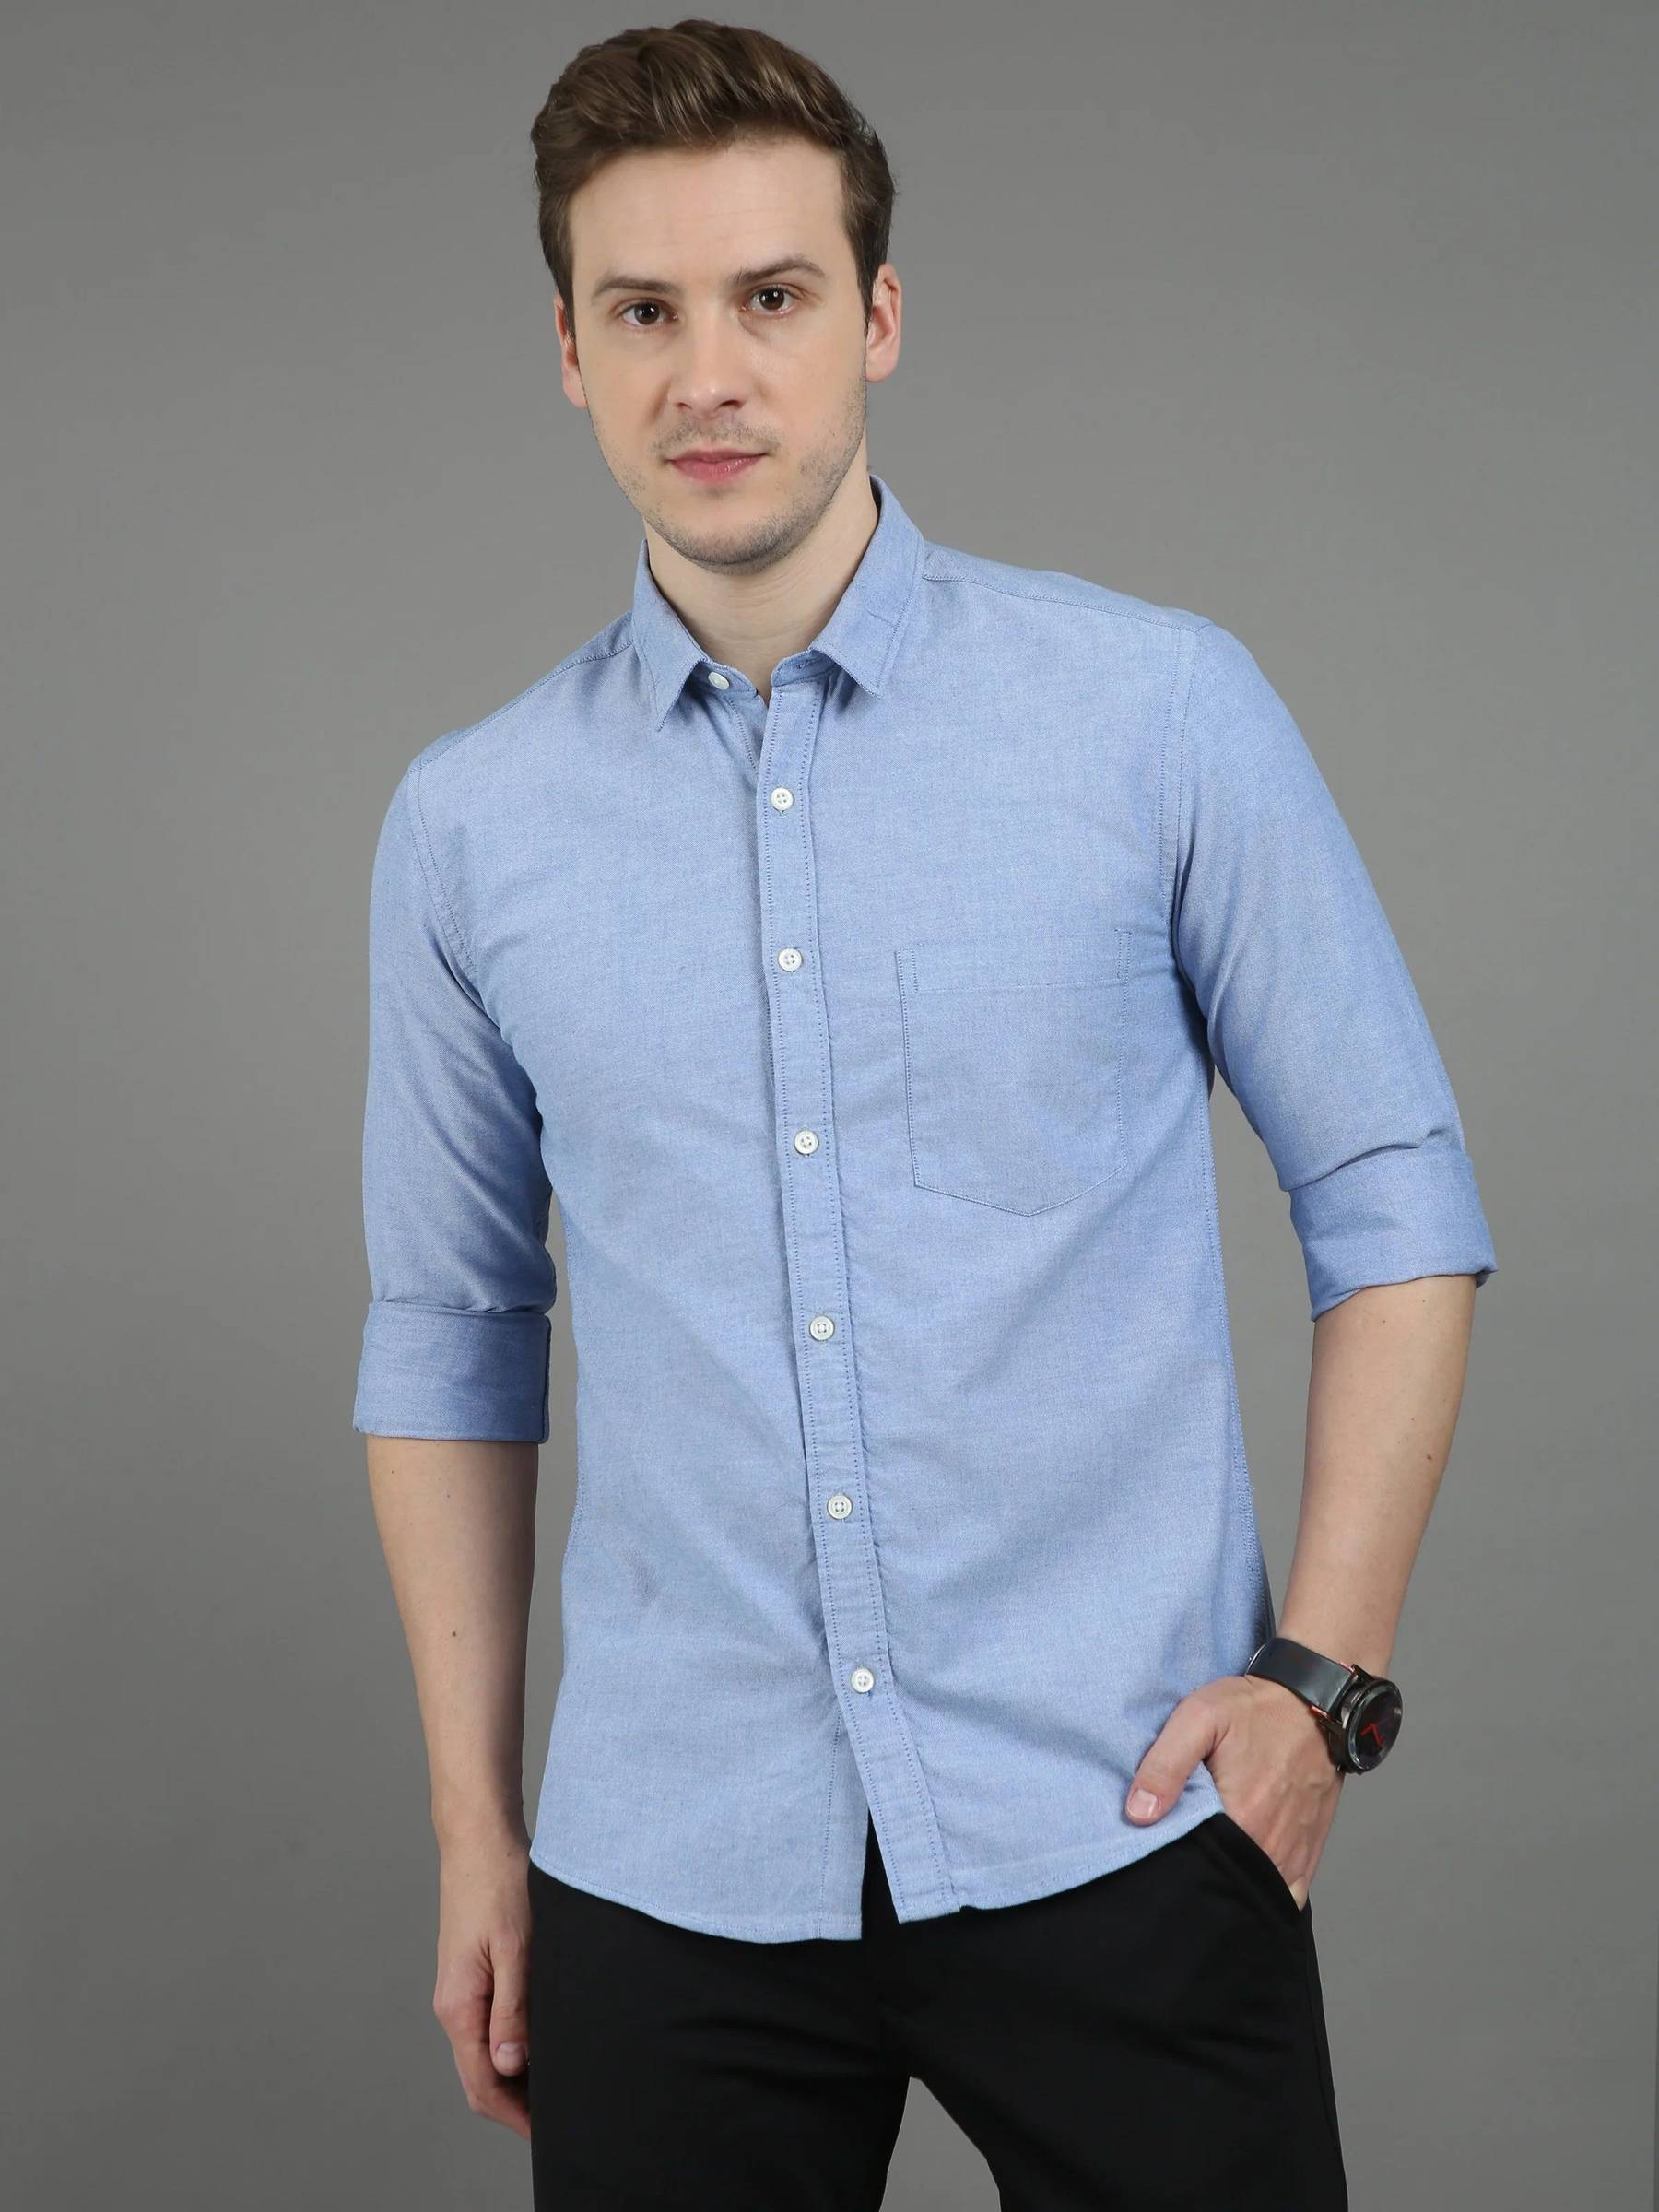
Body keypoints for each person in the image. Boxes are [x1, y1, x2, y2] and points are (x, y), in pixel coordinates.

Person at [352, 20, 1497, 2209]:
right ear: (569, 354)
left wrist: (1322, 1684)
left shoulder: (1157, 712)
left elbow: (1396, 1199)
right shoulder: (470, 829)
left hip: (1126, 1820)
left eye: (771, 297)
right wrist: (478, 1835)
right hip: (672, 1867)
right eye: (643, 311)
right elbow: (452, 1337)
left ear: (877, 317)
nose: (709, 374)